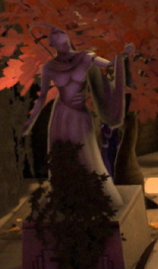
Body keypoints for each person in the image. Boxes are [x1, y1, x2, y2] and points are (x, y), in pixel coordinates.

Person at [22, 27, 133, 209]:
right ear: (52, 45)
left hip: (79, 116)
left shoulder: (86, 57)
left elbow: (109, 67)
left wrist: (122, 57)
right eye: (59, 43)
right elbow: (42, 97)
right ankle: (66, 199)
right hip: (60, 116)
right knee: (64, 157)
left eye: (65, 41)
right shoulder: (49, 67)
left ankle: (90, 197)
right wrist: (30, 121)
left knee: (85, 156)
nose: (64, 46)